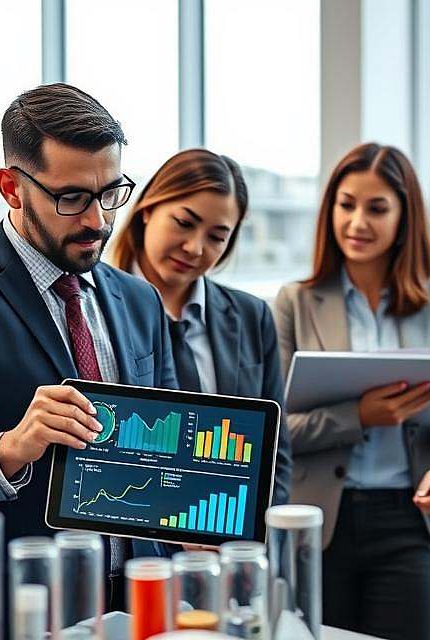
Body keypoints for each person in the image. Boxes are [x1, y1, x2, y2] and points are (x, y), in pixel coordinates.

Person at [0, 83, 178, 614]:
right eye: (71, 198)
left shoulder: (140, 300)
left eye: (111, 193)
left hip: (142, 596)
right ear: (11, 188)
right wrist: (9, 449)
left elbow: (170, 442)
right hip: (20, 601)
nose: (97, 221)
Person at [273, 142, 430, 640]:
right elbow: (273, 432)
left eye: (377, 208)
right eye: (346, 205)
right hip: (319, 524)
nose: (358, 222)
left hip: (411, 519)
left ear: (405, 217)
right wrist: (358, 415)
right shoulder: (295, 302)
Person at [109, 149, 293, 551]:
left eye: (216, 236)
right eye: (184, 223)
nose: (195, 248)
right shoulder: (99, 310)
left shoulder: (251, 316)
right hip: (140, 555)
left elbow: (274, 449)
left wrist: (249, 537)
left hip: (231, 550)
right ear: (146, 210)